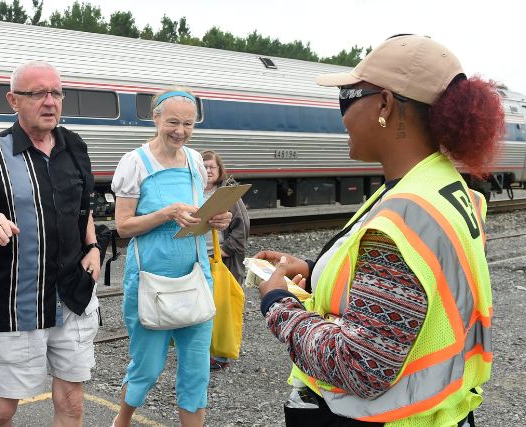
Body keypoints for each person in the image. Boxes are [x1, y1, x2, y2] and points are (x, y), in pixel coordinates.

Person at [256, 35, 500, 427]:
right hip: (438, 410)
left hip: (391, 418)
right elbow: (408, 287)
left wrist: (278, 305)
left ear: (385, 104)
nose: (343, 116)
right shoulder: (437, 187)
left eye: (347, 99)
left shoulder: (407, 214)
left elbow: (360, 366)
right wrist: (313, 268)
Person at [0, 61, 100, 427]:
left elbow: (83, 208)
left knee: (72, 404)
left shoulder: (75, 147)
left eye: (56, 93)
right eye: (38, 93)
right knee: (3, 409)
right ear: (13, 100)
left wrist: (93, 247)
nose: (50, 102)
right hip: (16, 303)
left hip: (73, 296)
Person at [110, 87, 232, 427]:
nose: (181, 131)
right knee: (146, 368)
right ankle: (121, 421)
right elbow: (123, 227)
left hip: (195, 277)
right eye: (174, 122)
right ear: (156, 119)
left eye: (189, 124)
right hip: (150, 281)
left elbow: (197, 215)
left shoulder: (195, 160)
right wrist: (167, 212)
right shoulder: (134, 162)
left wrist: (218, 218)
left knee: (196, 371)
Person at [200, 149, 250, 371]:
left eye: (212, 167)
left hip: (222, 261)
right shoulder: (193, 191)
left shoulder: (228, 195)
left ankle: (220, 355)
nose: (208, 170)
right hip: (199, 260)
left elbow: (242, 229)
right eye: (204, 167)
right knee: (201, 307)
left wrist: (225, 250)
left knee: (222, 308)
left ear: (219, 170)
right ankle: (202, 349)